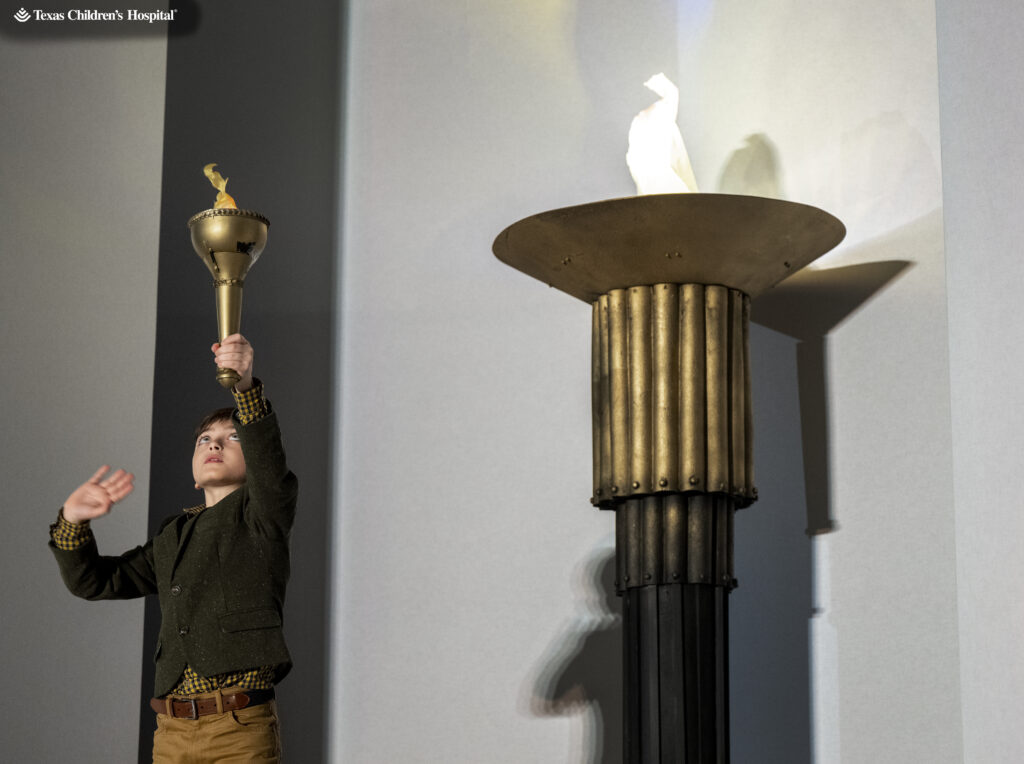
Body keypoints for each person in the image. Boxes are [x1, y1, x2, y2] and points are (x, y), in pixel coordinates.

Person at [49, 334, 297, 763]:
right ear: (194, 474)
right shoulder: (173, 536)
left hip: (238, 728)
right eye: (205, 439)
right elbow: (94, 582)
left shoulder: (263, 515)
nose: (215, 443)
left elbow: (271, 472)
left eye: (232, 437)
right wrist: (73, 522)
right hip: (171, 732)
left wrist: (245, 389)